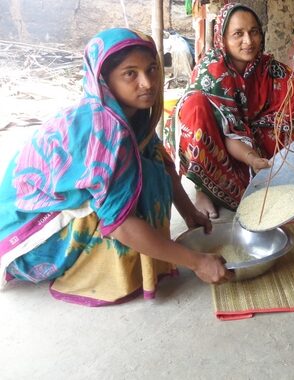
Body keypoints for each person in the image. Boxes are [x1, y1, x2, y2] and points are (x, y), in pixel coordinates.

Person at [0, 28, 233, 306]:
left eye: (151, 70)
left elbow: (161, 162)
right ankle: (109, 269)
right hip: (29, 236)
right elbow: (120, 223)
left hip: (39, 220)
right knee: (116, 206)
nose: (147, 83)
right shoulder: (104, 128)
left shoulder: (131, 114)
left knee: (150, 164)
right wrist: (197, 262)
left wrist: (189, 211)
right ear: (104, 80)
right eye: (130, 74)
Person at [164, 3, 294, 219]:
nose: (248, 41)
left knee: (283, 121)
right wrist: (251, 158)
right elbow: (228, 133)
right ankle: (204, 189)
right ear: (223, 37)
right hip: (217, 146)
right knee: (194, 106)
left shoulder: (269, 68)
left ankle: (263, 176)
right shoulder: (210, 72)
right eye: (238, 34)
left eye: (254, 32)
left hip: (252, 146)